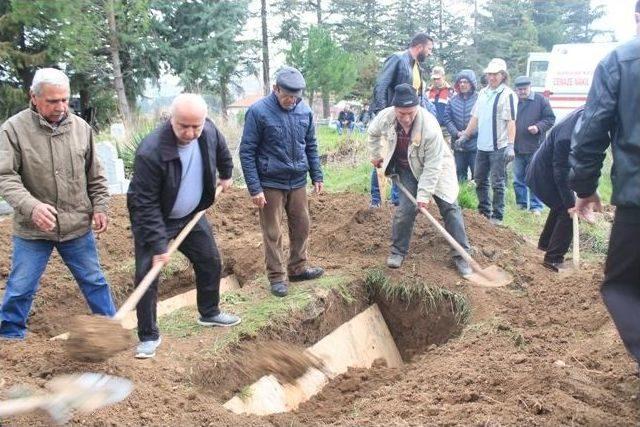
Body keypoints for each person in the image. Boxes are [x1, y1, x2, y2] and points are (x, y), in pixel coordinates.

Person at [0, 68, 116, 339]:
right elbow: (5, 177)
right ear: (34, 97)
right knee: (20, 287)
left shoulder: (81, 128)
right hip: (33, 229)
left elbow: (95, 174)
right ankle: (9, 337)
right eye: (53, 101)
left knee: (94, 281)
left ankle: (112, 330)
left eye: (65, 100)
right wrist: (32, 206)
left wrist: (100, 207)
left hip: (76, 225)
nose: (61, 107)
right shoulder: (13, 130)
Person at [127, 93, 240, 359]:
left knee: (210, 260)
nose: (190, 133)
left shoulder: (208, 130)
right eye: (183, 126)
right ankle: (148, 335)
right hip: (156, 218)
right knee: (148, 274)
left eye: (195, 127)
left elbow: (221, 150)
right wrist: (158, 244)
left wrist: (226, 174)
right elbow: (145, 204)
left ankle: (209, 312)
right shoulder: (150, 152)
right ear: (171, 119)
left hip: (192, 214)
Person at [569, 1, 640, 376]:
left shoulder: (621, 62)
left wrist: (584, 187)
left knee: (622, 285)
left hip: (637, 202)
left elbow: (593, 130)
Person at [369, 84, 472, 276]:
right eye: (402, 113)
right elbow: (373, 133)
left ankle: (462, 256)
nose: (406, 118)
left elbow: (433, 167)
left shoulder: (430, 127)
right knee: (405, 210)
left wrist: (424, 196)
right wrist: (375, 154)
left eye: (410, 113)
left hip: (437, 169)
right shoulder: (386, 116)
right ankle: (397, 251)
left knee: (450, 207)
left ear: (417, 107)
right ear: (394, 109)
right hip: (407, 168)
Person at [239, 66, 324, 298]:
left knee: (302, 226)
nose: (291, 100)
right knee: (273, 231)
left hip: (297, 180)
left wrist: (317, 174)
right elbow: (247, 152)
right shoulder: (258, 112)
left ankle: (298, 268)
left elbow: (311, 146)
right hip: (270, 183)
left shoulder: (304, 111)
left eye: (295, 96)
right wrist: (254, 188)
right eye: (287, 95)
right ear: (275, 88)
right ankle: (277, 277)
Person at [369, 32, 438, 209]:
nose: (429, 53)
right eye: (429, 49)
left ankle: (397, 199)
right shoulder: (398, 59)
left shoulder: (416, 67)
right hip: (394, 117)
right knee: (383, 156)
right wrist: (381, 113)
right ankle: (377, 201)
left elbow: (418, 98)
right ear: (420, 46)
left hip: (409, 120)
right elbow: (382, 84)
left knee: (401, 157)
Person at [526, 108, 583, 271]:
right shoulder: (567, 137)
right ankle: (553, 259)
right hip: (544, 174)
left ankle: (545, 244)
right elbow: (560, 172)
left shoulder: (583, 116)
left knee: (561, 207)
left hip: (545, 170)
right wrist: (572, 204)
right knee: (569, 212)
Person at [461, 58, 517, 226]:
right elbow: (475, 117)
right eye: (489, 74)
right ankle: (484, 211)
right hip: (482, 146)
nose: (492, 77)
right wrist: (465, 135)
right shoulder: (483, 93)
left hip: (499, 146)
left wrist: (511, 145)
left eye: (495, 74)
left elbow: (511, 121)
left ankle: (498, 216)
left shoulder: (508, 95)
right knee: (479, 179)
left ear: (503, 75)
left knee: (497, 181)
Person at [513, 75, 555, 215]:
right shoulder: (513, 101)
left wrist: (538, 127)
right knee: (518, 177)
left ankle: (536, 206)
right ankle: (521, 204)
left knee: (535, 177)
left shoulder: (540, 100)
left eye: (524, 89)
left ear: (530, 87)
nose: (522, 92)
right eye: (519, 90)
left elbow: (550, 119)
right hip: (517, 146)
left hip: (535, 147)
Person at [443, 70, 479, 182]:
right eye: (460, 82)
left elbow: (483, 121)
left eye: (466, 82)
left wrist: (468, 134)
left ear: (472, 83)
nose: (462, 84)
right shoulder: (452, 101)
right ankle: (462, 198)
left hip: (475, 145)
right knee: (459, 176)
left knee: (477, 176)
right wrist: (457, 133)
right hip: (459, 145)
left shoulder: (480, 99)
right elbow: (447, 119)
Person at [427, 65, 454, 143]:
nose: (436, 81)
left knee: (448, 154)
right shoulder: (427, 92)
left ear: (443, 77)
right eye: (434, 79)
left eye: (438, 78)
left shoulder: (451, 92)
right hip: (431, 129)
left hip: (446, 130)